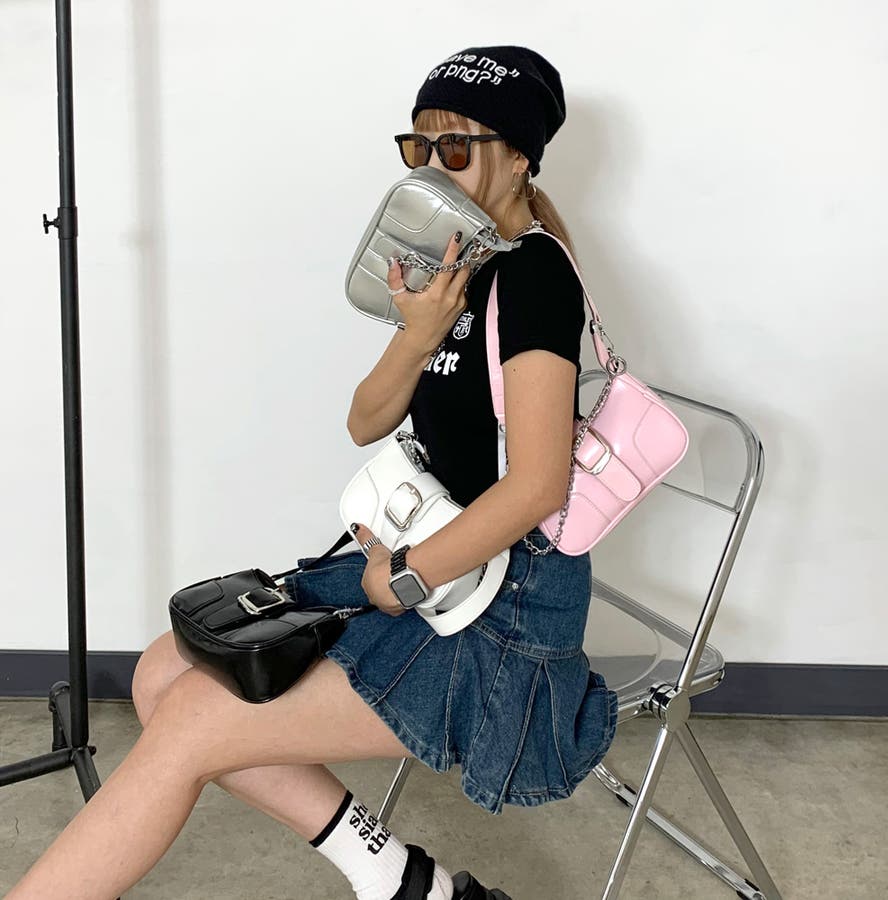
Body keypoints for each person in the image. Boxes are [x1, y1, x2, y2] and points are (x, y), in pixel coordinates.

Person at [7, 44, 618, 900]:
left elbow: (538, 488)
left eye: (455, 147)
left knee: (192, 720)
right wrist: (417, 331)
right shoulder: (456, 265)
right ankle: (405, 884)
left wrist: (401, 579)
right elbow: (366, 420)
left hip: (499, 611)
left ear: (519, 157)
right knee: (161, 673)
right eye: (419, 146)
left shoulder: (534, 277)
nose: (431, 165)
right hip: (437, 567)